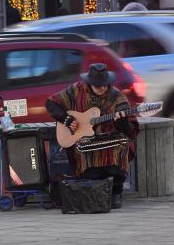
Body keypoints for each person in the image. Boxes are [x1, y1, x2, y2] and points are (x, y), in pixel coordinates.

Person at [45, 63, 138, 209]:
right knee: (83, 151)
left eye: (105, 84)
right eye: (98, 85)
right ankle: (92, 191)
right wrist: (66, 119)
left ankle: (115, 193)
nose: (102, 88)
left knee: (122, 146)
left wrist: (122, 122)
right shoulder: (76, 91)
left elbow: (131, 130)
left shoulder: (117, 97)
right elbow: (51, 103)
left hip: (110, 139)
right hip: (85, 140)